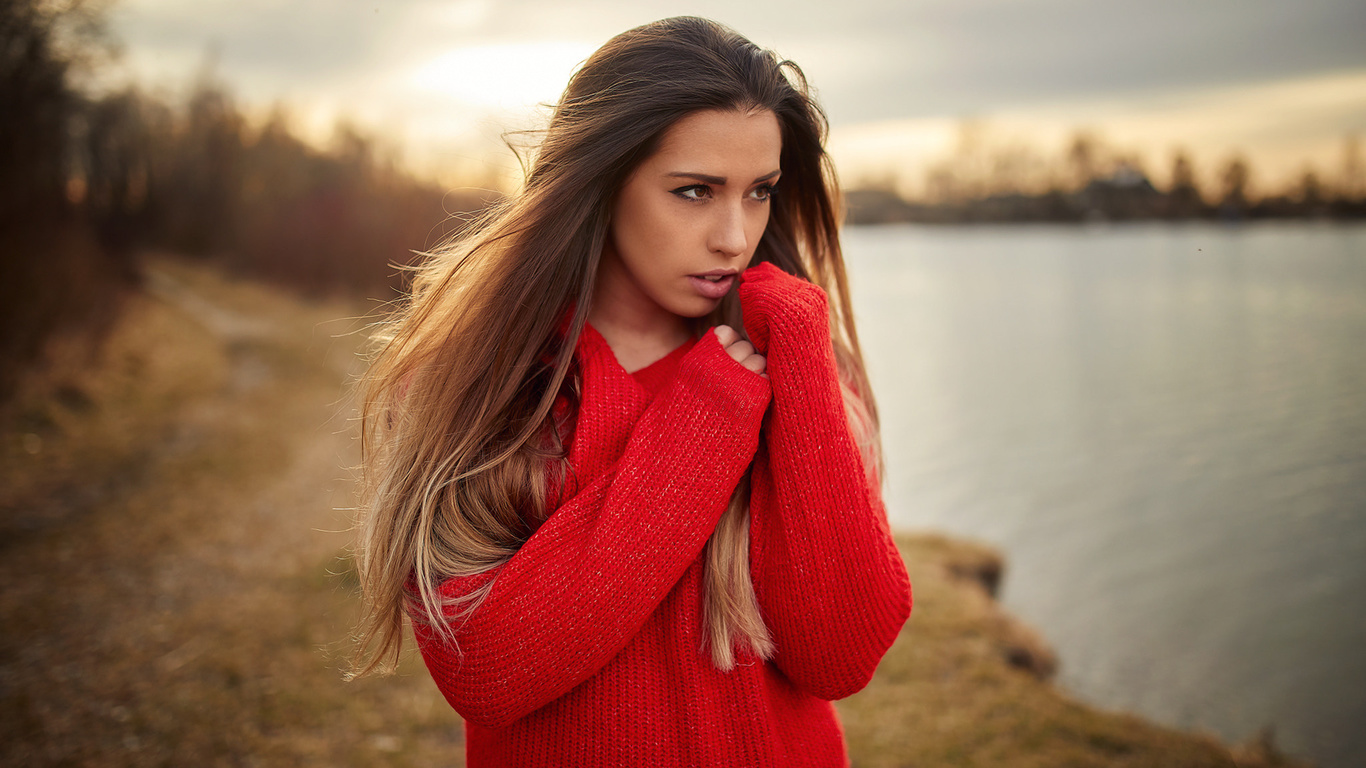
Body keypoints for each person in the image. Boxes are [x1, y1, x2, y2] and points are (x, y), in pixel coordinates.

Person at [351, 16, 912, 767]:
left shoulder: (801, 366)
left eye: (759, 193)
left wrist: (804, 361)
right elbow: (486, 669)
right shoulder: (478, 387)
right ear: (602, 183)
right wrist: (705, 420)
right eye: (694, 191)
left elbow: (842, 657)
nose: (735, 237)